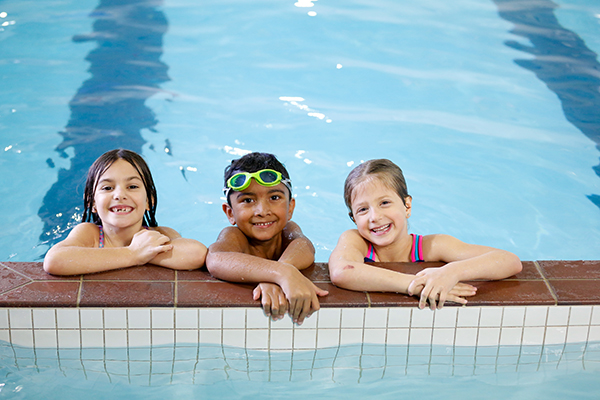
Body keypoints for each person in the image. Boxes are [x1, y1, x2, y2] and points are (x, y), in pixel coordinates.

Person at [328, 159, 522, 310]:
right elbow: (342, 271)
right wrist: (415, 284)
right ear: (353, 218)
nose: (375, 217)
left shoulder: (432, 246)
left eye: (385, 203)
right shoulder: (355, 240)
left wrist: (451, 272)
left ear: (407, 205)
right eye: (363, 210)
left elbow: (510, 261)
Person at [206, 152, 328, 324]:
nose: (262, 211)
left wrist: (278, 275)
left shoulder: (288, 230)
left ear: (290, 207)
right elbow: (216, 259)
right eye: (248, 200)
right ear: (230, 212)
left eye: (274, 197)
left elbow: (305, 246)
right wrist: (281, 273)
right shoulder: (234, 235)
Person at [43, 149, 207, 275]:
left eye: (132, 187)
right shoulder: (90, 234)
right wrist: (132, 254)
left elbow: (197, 254)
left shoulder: (158, 235)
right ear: (92, 202)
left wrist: (145, 251)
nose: (120, 195)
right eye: (107, 188)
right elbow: (54, 260)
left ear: (150, 200)